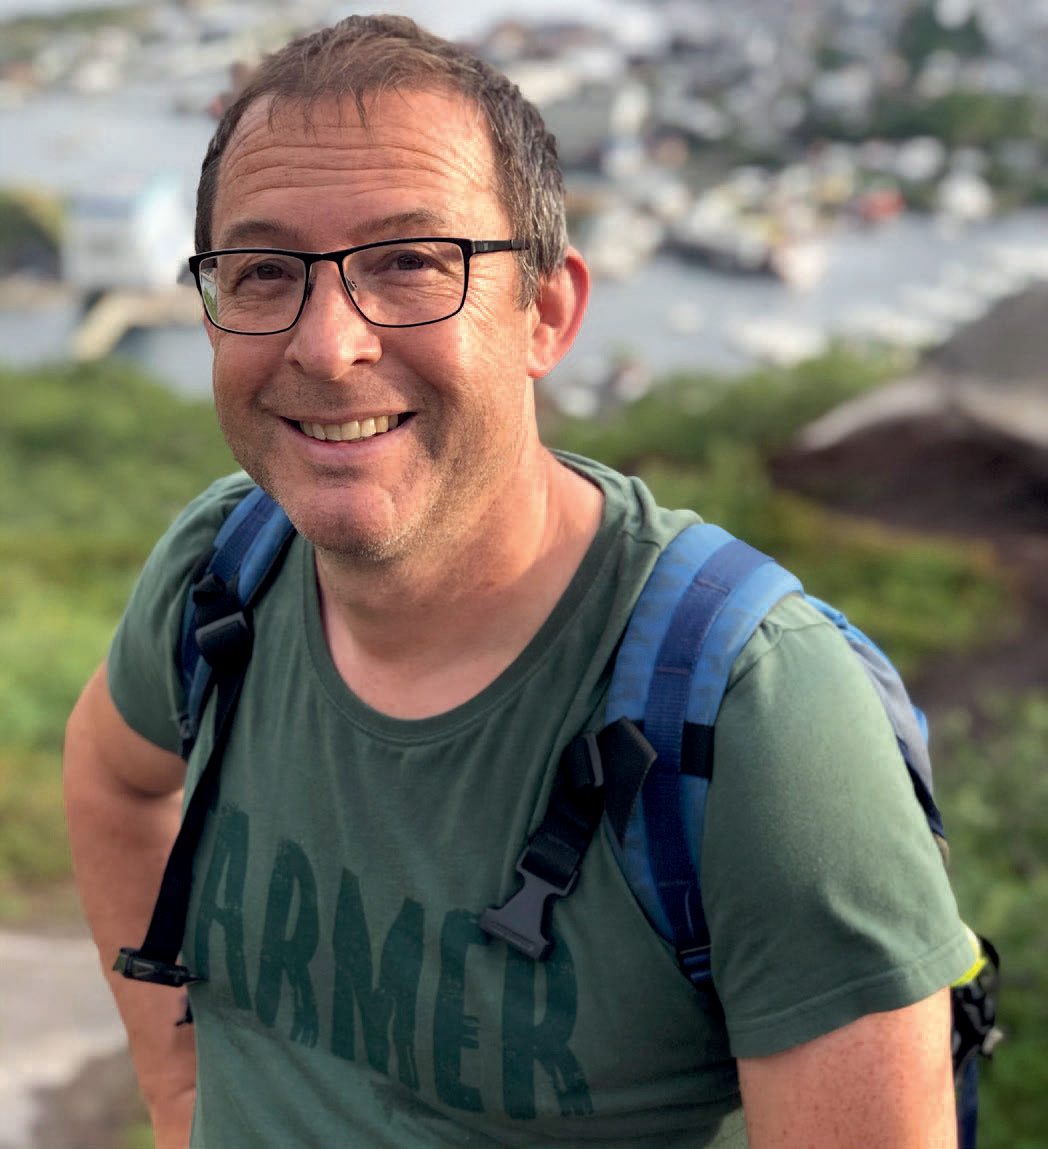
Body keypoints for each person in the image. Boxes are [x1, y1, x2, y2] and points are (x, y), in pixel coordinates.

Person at [63, 14, 974, 1149]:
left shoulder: (758, 722)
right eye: (263, 273)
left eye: (409, 263)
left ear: (545, 312)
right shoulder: (223, 571)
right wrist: (177, 1096)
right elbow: (110, 777)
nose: (328, 345)